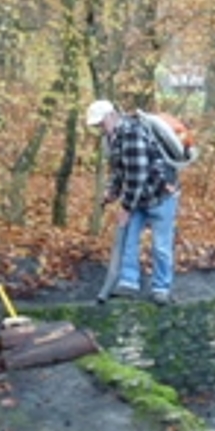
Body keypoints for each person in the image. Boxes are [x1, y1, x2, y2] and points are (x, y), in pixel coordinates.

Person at [86, 99, 180, 305]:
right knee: (129, 239)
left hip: (160, 195)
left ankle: (161, 289)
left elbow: (138, 174)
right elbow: (121, 170)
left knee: (161, 246)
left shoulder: (131, 134)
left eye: (101, 124)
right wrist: (112, 192)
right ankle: (129, 283)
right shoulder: (112, 138)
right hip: (139, 197)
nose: (100, 129)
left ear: (111, 116)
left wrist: (126, 207)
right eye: (97, 126)